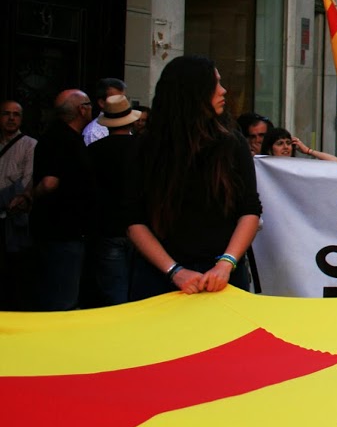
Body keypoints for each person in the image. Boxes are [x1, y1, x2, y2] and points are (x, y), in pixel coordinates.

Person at [125, 55, 261, 299]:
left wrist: (226, 264)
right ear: (193, 92)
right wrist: (174, 271)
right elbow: (134, 220)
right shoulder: (147, 146)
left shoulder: (232, 141)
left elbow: (249, 210)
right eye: (215, 84)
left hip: (223, 276)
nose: (224, 91)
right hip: (160, 278)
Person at [24, 90, 93, 309]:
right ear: (81, 109)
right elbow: (49, 182)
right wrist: (31, 197)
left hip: (61, 229)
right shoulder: (63, 140)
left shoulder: (55, 137)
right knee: (61, 297)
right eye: (89, 104)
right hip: (63, 231)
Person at [85, 93, 141, 306]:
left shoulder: (94, 151)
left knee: (114, 291)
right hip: (140, 226)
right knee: (138, 289)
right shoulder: (143, 148)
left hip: (107, 227)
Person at [0, 99, 37, 290]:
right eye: (7, 113)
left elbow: (28, 179)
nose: (11, 118)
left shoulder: (30, 145)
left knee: (15, 269)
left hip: (14, 216)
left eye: (16, 114)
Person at [81, 77, 126, 146]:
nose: (121, 103)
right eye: (115, 99)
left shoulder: (125, 125)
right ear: (102, 103)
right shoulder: (93, 133)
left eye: (123, 99)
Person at [261, 127, 337, 160]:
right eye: (280, 143)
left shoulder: (298, 166)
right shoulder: (262, 167)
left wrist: (308, 151)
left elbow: (336, 162)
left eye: (288, 143)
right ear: (269, 149)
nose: (285, 147)